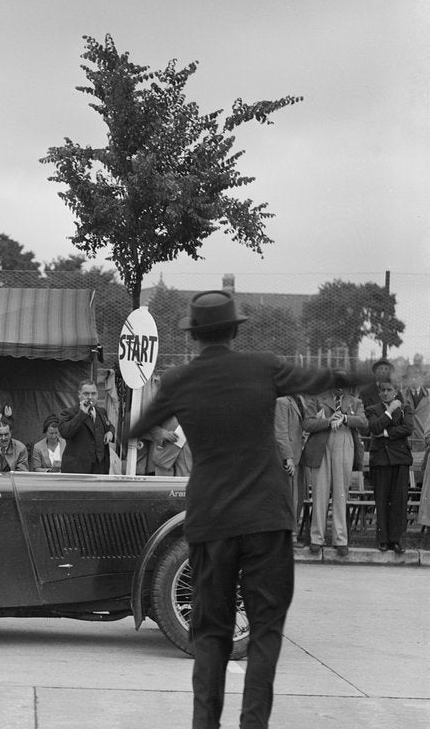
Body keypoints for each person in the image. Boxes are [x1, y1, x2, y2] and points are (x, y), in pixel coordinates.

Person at [126, 289, 363, 729]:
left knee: (210, 632)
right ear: (236, 330)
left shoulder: (179, 380)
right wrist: (359, 374)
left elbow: (137, 428)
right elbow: (317, 378)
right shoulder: (263, 367)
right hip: (266, 517)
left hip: (211, 519)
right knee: (266, 628)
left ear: (194, 334)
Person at [300, 386, 367, 556]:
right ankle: (317, 538)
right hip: (322, 444)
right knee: (320, 492)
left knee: (341, 493)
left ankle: (340, 539)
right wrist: (328, 421)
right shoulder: (317, 399)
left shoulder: (355, 401)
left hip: (344, 442)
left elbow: (364, 422)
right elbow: (307, 423)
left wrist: (345, 418)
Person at [365, 382, 413, 553]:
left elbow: (408, 428)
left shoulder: (406, 408)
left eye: (389, 390)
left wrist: (385, 434)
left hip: (400, 459)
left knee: (399, 501)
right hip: (381, 460)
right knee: (382, 500)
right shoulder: (371, 409)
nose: (385, 393)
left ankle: (396, 540)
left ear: (395, 392)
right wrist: (390, 410)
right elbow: (374, 427)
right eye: (382, 391)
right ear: (379, 393)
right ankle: (383, 540)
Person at [58, 380, 114, 474]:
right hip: (77, 469)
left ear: (98, 395)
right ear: (79, 395)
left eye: (93, 394)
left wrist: (110, 432)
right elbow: (65, 433)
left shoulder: (101, 412)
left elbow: (110, 426)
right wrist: (82, 414)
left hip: (100, 468)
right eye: (86, 394)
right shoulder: (68, 413)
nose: (90, 397)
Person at [273, 395, 307, 543]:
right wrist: (288, 457)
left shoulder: (299, 400)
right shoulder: (282, 402)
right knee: (288, 498)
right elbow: (280, 432)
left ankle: (291, 533)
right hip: (288, 458)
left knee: (297, 497)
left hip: (299, 455)